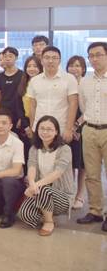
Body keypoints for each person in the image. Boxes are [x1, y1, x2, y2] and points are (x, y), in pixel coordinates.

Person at [18, 116, 74, 236]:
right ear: (37, 130)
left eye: (49, 129)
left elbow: (58, 173)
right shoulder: (34, 148)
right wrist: (32, 183)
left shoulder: (65, 149)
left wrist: (35, 185)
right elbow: (31, 167)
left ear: (56, 131)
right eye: (42, 128)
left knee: (44, 188)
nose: (45, 132)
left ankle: (49, 221)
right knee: (24, 214)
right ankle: (46, 213)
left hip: (61, 195)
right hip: (39, 192)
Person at [76, 42, 107, 231]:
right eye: (91, 56)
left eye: (98, 54)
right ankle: (95, 211)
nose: (94, 59)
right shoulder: (85, 81)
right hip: (89, 130)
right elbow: (83, 106)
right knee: (92, 174)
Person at [27, 46, 78, 145]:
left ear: (59, 61)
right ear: (41, 60)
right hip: (40, 129)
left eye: (54, 58)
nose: (50, 61)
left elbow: (73, 104)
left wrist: (69, 129)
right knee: (40, 154)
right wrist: (33, 126)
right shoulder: (34, 80)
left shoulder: (69, 79)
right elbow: (32, 105)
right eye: (47, 58)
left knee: (61, 154)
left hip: (61, 128)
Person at [66, 55, 87, 210]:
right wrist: (69, 127)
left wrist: (76, 126)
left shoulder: (85, 84)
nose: (74, 68)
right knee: (69, 163)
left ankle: (80, 195)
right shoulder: (65, 84)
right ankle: (70, 194)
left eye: (78, 65)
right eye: (71, 65)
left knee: (82, 164)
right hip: (67, 128)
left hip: (84, 128)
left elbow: (89, 108)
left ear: (83, 69)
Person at [0, 47, 25, 131]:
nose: (7, 59)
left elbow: (24, 98)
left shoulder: (22, 75)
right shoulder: (0, 76)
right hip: (3, 113)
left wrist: (22, 117)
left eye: (10, 56)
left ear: (16, 58)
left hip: (18, 112)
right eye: (5, 56)